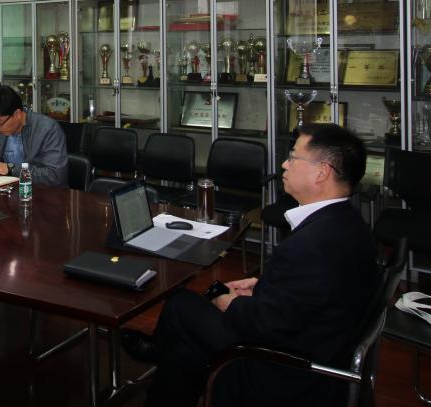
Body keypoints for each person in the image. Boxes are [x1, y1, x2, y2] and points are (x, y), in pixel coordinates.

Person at [122, 122, 380, 407]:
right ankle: (163, 356)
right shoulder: (347, 224)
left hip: (284, 371)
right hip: (311, 349)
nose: (284, 165)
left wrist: (228, 302)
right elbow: (314, 293)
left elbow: (265, 324)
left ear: (321, 173)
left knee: (180, 304)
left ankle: (158, 350)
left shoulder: (313, 245)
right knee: (183, 352)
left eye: (293, 157)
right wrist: (262, 287)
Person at [0, 85, 67, 187]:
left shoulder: (47, 129)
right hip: (9, 190)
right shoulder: (1, 127)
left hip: (42, 193)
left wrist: (11, 169)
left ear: (17, 114)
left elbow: (56, 176)